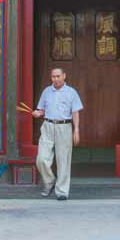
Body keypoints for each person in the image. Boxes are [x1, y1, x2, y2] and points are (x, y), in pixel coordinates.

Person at [32, 67, 83, 200]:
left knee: (63, 160)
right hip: (48, 126)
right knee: (41, 159)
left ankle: (62, 191)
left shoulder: (71, 92)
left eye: (58, 76)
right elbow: (42, 110)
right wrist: (38, 113)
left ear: (64, 76)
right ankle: (50, 181)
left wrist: (76, 130)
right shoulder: (46, 91)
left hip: (64, 127)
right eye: (53, 76)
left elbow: (75, 112)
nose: (55, 79)